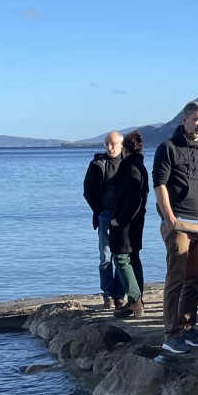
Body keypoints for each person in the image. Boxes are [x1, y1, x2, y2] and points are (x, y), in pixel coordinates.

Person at [152, 101, 198, 355]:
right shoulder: (168, 148)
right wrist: (170, 219)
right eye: (196, 119)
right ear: (185, 119)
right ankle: (171, 334)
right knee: (176, 279)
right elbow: (159, 184)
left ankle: (187, 328)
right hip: (179, 222)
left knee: (193, 280)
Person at [82, 130, 127, 310]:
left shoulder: (128, 163)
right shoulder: (97, 164)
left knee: (122, 255)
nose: (110, 147)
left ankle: (120, 294)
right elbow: (88, 191)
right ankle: (108, 294)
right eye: (107, 144)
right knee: (106, 256)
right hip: (105, 215)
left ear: (121, 144)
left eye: (113, 144)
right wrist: (99, 210)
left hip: (123, 216)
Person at [109, 131, 149, 319]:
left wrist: (120, 220)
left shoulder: (132, 168)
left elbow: (135, 200)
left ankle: (135, 299)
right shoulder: (138, 166)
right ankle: (137, 300)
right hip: (134, 222)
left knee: (122, 258)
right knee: (133, 258)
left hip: (126, 224)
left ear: (125, 149)